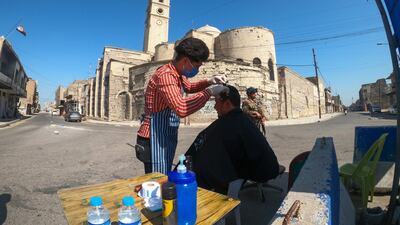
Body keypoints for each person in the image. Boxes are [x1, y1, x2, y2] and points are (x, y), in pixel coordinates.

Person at [135, 37, 228, 174]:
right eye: (197, 66)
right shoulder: (166, 75)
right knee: (156, 181)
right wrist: (210, 92)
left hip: (164, 134)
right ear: (186, 61)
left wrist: (209, 81)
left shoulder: (178, 74)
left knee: (164, 176)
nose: (197, 69)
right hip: (152, 137)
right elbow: (181, 108)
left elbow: (189, 87)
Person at [185, 85, 279, 194]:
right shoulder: (244, 120)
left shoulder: (224, 126)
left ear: (227, 104)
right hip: (266, 168)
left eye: (216, 102)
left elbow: (205, 163)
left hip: (256, 172)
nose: (215, 107)